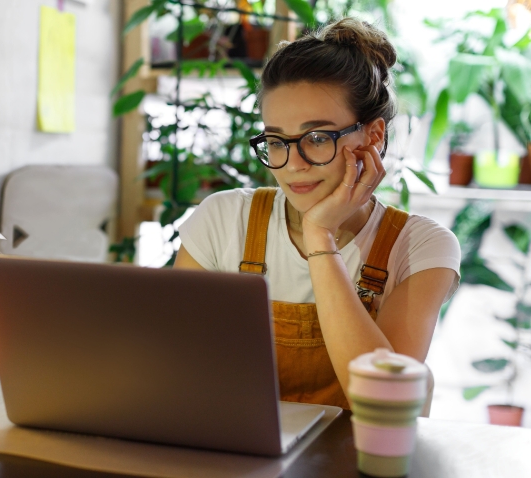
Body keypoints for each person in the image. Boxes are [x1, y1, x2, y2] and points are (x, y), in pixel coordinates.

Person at [174, 18, 461, 410]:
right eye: (276, 141)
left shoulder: (420, 247)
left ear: (373, 136)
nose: (292, 164)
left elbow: (386, 401)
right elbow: (175, 368)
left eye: (317, 138)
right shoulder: (224, 219)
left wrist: (320, 236)